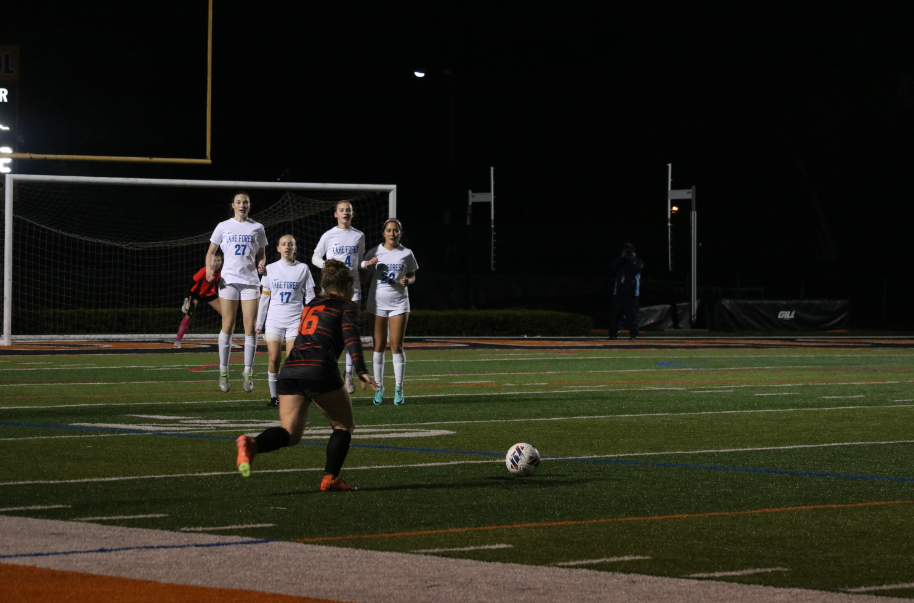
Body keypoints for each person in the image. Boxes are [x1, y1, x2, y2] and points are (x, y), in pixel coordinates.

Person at [235, 260, 377, 492]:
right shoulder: (346, 306)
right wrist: (361, 370)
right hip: (319, 369)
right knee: (343, 425)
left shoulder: (311, 304)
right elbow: (351, 338)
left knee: (290, 433)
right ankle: (330, 478)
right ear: (347, 284)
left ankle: (253, 444)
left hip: (291, 370)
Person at [312, 200, 377, 395]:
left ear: (352, 213)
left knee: (350, 331)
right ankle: (324, 370)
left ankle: (348, 374)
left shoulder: (359, 235)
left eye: (348, 210)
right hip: (332, 289)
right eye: (342, 210)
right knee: (328, 331)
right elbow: (315, 256)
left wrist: (367, 265)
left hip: (352, 288)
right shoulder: (329, 235)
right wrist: (328, 268)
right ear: (335, 214)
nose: (345, 213)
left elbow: (359, 261)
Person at [206, 191, 268, 393]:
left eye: (246, 202)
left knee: (250, 329)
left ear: (249, 205)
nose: (242, 205)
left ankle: (248, 372)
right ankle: (223, 372)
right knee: (228, 325)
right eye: (239, 202)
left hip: (250, 281)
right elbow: (211, 251)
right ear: (233, 205)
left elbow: (262, 253)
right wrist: (209, 269)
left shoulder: (257, 227)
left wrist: (261, 264)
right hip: (229, 280)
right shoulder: (223, 226)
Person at [255, 234, 316, 408]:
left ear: (295, 248)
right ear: (278, 248)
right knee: (274, 358)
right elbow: (265, 298)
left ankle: (290, 395)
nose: (287, 247)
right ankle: (275, 397)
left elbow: (310, 297)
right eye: (283, 244)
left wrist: (310, 320)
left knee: (292, 360)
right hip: (274, 320)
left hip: (295, 320)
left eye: (290, 244)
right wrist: (259, 323)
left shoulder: (303, 268)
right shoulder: (270, 269)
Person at [364, 219, 418, 405]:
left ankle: (399, 387)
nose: (392, 234)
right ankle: (378, 387)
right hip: (377, 303)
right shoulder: (374, 252)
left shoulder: (407, 253)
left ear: (400, 233)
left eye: (396, 231)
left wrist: (408, 281)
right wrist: (368, 267)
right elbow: (364, 277)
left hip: (399, 303)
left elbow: (412, 275)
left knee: (396, 346)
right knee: (378, 346)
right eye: (389, 230)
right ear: (383, 233)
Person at [174, 248, 226, 349]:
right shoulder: (204, 271)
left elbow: (222, 286)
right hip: (195, 293)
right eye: (214, 260)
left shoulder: (222, 272)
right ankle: (178, 341)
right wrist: (186, 300)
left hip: (209, 294)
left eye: (218, 260)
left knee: (226, 314)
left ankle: (226, 338)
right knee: (189, 314)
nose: (216, 263)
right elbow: (190, 285)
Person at [608, 242, 644, 341]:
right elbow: (612, 267)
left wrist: (631, 259)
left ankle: (633, 334)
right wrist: (621, 257)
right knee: (615, 315)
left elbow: (634, 270)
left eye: (630, 250)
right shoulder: (620, 262)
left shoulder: (638, 262)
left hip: (632, 294)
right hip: (618, 293)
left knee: (632, 315)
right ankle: (613, 334)